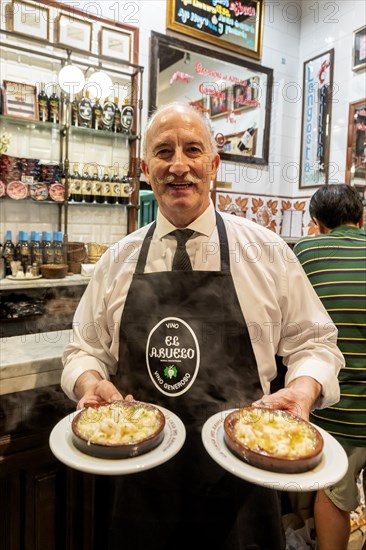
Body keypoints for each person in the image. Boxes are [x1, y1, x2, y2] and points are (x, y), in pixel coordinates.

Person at [61, 103, 344, 550]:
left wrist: (305, 388)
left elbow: (316, 342)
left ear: (214, 165)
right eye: (163, 151)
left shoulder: (266, 252)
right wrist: (89, 383)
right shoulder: (116, 261)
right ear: (145, 168)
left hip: (244, 478)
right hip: (137, 479)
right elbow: (84, 350)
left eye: (193, 150)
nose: (178, 165)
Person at [294, 184, 366, 550]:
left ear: (316, 223)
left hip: (340, 408)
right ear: (361, 218)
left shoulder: (305, 250)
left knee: (335, 491)